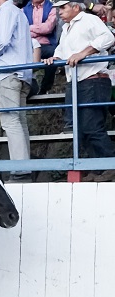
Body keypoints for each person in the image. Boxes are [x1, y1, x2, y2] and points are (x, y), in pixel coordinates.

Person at [45, 0, 115, 182]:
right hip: (79, 81)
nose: (59, 11)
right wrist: (54, 58)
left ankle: (109, 165)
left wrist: (83, 53)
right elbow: (62, 50)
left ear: (75, 7)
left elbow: (108, 38)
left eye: (63, 7)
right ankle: (100, 168)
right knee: (81, 129)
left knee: (92, 126)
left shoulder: (88, 20)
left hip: (93, 79)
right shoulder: (67, 28)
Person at [0, 0, 34, 182]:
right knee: (20, 123)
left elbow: (3, 41)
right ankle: (24, 168)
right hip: (23, 73)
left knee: (11, 123)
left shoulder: (6, 10)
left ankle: (20, 171)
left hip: (8, 72)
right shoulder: (19, 12)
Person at [24, 0, 58, 94]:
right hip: (29, 45)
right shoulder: (24, 9)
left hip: (46, 45)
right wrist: (39, 29)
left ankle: (45, 87)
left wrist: (29, 28)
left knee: (54, 53)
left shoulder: (52, 7)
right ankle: (29, 86)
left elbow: (48, 28)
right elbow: (22, 29)